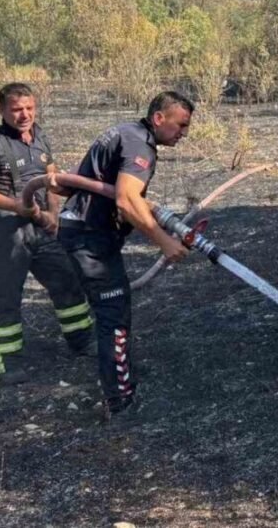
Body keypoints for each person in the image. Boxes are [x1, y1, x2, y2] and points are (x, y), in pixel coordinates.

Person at [57, 91, 193, 418]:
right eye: (181, 125)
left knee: (116, 309)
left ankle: (120, 382)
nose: (184, 133)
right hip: (90, 238)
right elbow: (127, 200)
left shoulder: (127, 133)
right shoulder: (139, 145)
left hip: (88, 233)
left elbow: (86, 185)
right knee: (113, 315)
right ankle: (120, 401)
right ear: (159, 118)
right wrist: (164, 241)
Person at [0, 82, 94, 386]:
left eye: (29, 108)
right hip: (4, 231)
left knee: (67, 281)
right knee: (6, 294)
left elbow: (51, 179)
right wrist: (16, 205)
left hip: (41, 227)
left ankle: (82, 341)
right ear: (1, 111)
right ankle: (8, 359)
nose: (24, 115)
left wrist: (53, 215)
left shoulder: (41, 138)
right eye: (16, 109)